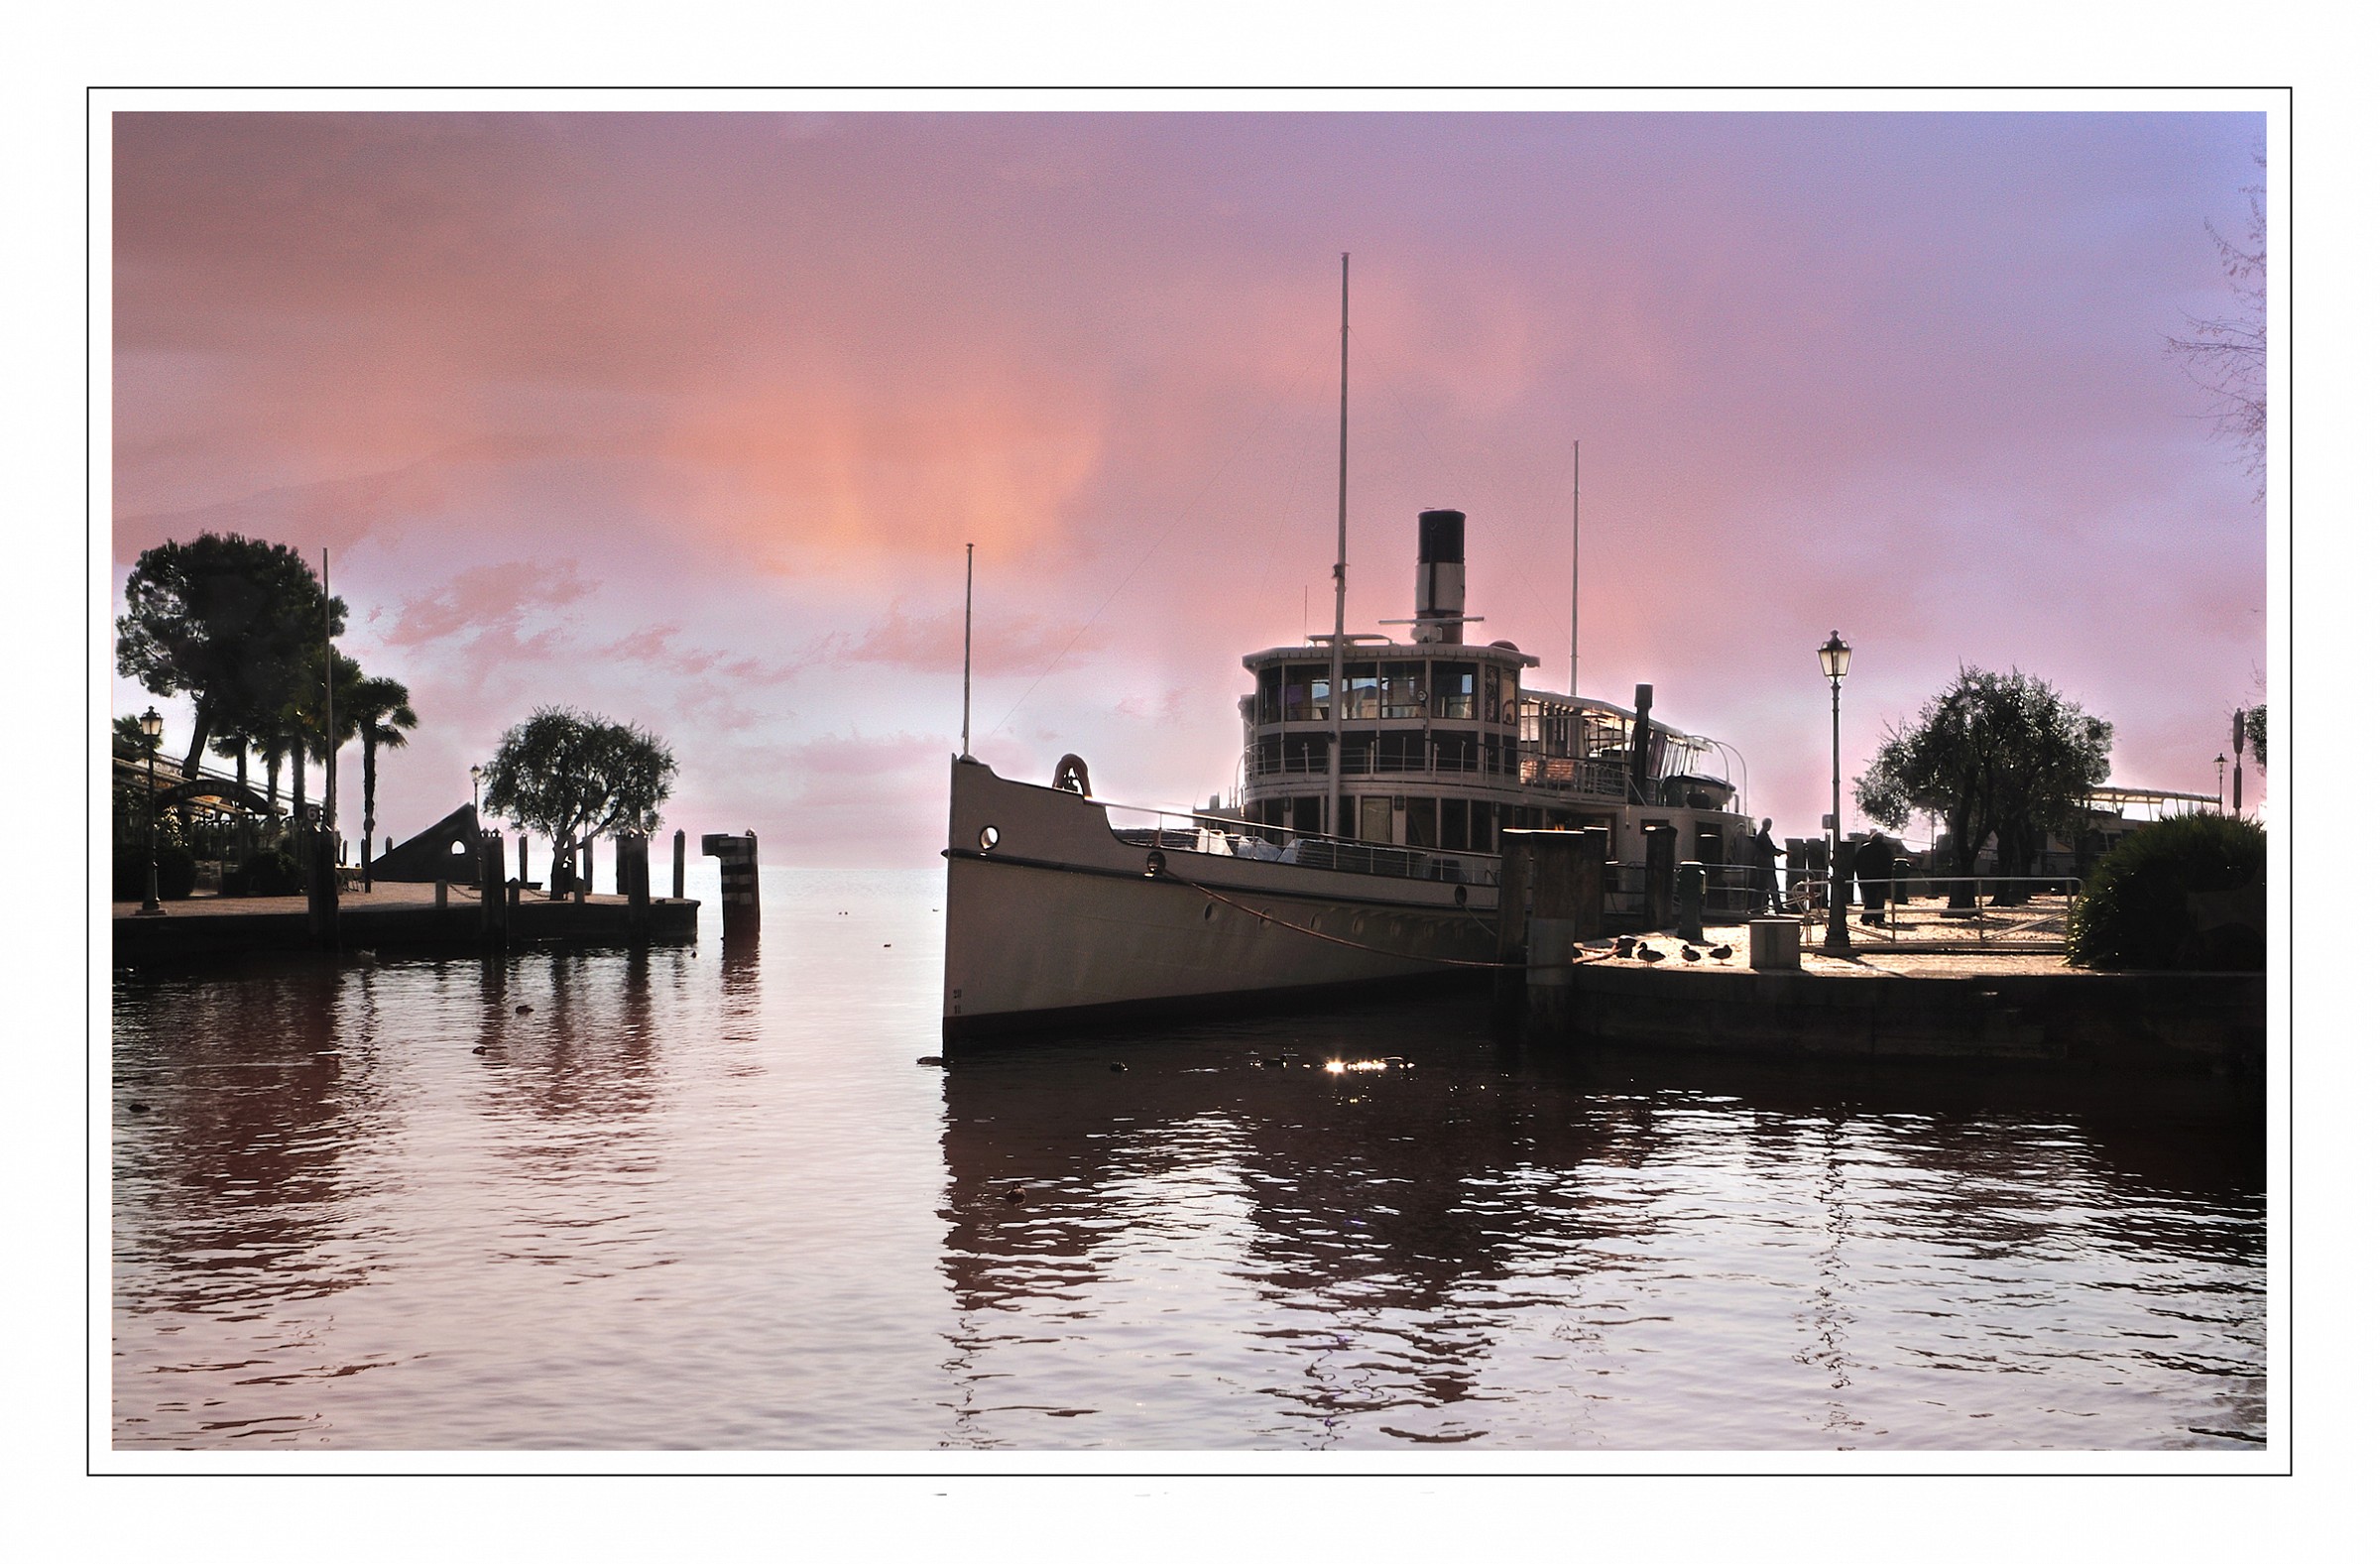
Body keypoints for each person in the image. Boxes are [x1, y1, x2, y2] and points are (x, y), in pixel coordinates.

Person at [1854, 829, 1893, 926]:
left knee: (1869, 899)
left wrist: (1860, 877)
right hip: (1880, 878)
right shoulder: (1885, 849)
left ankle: (1867, 917)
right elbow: (1889, 864)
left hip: (1865, 878)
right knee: (1879, 899)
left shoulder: (1863, 849)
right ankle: (1877, 918)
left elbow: (1856, 864)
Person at [1750, 817, 1783, 914]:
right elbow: (1770, 850)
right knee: (1768, 887)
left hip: (1765, 866)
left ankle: (1758, 908)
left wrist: (1781, 852)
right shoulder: (1762, 836)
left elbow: (1771, 849)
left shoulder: (1762, 835)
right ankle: (1774, 907)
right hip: (1765, 866)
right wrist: (1781, 852)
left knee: (1764, 887)